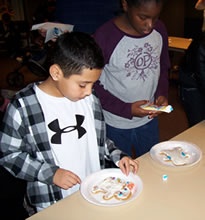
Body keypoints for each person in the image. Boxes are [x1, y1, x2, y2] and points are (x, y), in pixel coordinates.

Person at [0, 31, 139, 215]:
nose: (89, 92)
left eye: (93, 85)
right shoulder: (22, 107)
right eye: (83, 84)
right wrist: (51, 173)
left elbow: (99, 140)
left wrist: (117, 156)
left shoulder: (89, 100)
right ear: (56, 72)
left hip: (94, 189)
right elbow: (9, 155)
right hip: (53, 201)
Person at [93, 0, 170, 158]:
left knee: (152, 165)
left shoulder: (159, 29)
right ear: (125, 5)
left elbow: (162, 67)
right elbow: (92, 85)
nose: (149, 25)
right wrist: (126, 109)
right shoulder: (104, 36)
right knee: (121, 174)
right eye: (143, 17)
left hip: (149, 120)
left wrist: (161, 94)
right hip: (116, 123)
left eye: (155, 18)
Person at [179, 32, 205, 127]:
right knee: (198, 125)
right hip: (193, 86)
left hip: (200, 81)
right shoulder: (202, 44)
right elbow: (202, 78)